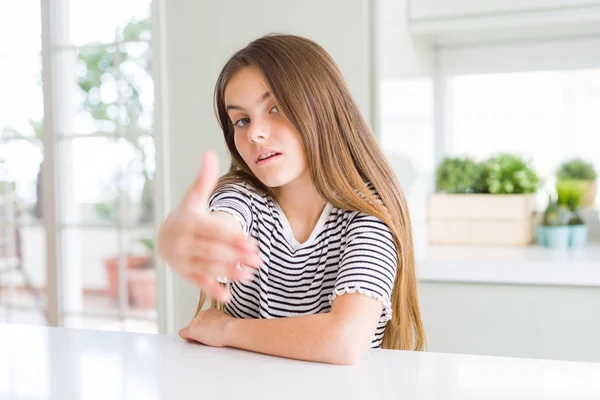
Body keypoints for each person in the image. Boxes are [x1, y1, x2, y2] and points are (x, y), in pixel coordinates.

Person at [157, 34, 425, 365]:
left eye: (275, 109)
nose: (254, 133)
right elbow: (215, 224)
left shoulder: (368, 217)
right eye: (242, 120)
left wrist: (227, 329)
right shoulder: (242, 196)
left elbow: (345, 340)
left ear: (324, 108)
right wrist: (176, 235)